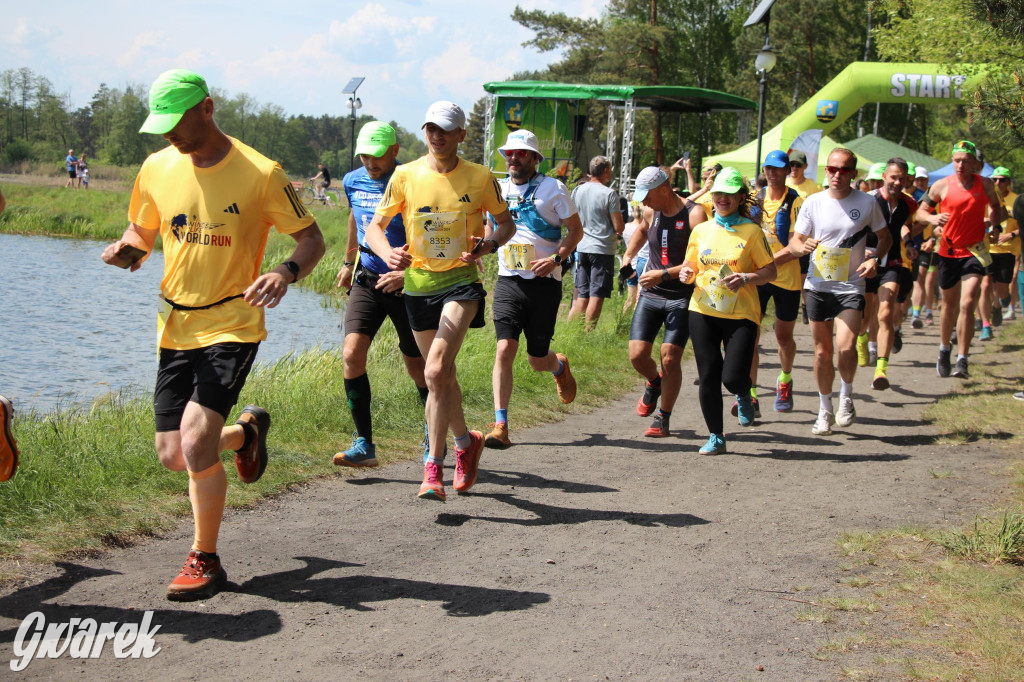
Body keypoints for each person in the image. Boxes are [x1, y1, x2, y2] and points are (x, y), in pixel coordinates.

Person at [100, 69, 326, 601]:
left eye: (175, 122)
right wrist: (127, 250)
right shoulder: (157, 166)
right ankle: (247, 435)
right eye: (160, 125)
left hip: (233, 320)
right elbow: (144, 228)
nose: (167, 135)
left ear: (207, 107)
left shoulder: (261, 172)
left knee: (196, 441)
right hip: (175, 322)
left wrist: (285, 272)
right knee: (174, 452)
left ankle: (206, 558)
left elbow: (310, 238)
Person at [363, 100, 515, 502]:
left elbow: (506, 224)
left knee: (433, 372)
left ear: (462, 134)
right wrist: (386, 253)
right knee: (442, 376)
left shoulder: (481, 177)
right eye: (431, 128)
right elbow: (375, 227)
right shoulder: (405, 175)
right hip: (417, 284)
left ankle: (433, 468)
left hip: (461, 283)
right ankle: (466, 442)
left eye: (446, 129)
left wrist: (486, 245)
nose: (437, 136)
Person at [333, 121, 428, 467]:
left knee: (418, 368)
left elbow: (432, 232)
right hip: (368, 278)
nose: (370, 162)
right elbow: (355, 218)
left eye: (377, 155)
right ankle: (364, 444)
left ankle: (434, 430)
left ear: (395, 150)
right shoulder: (351, 180)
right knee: (351, 354)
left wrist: (410, 273)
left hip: (408, 282)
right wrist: (347, 260)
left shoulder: (413, 180)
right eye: (364, 155)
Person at [484, 129, 582, 449]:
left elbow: (575, 232)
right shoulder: (497, 189)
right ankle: (501, 424)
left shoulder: (554, 189)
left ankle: (559, 366)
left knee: (536, 358)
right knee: (504, 349)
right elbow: (492, 227)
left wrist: (555, 258)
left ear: (535, 158)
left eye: (521, 153)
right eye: (509, 153)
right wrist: (482, 247)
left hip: (544, 284)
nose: (513, 158)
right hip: (509, 280)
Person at [789, 148, 889, 435]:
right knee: (822, 353)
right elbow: (796, 241)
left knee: (845, 348)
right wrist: (802, 248)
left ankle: (846, 396)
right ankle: (824, 409)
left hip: (850, 286)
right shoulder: (813, 202)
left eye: (843, 170)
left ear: (853, 174)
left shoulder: (867, 202)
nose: (836, 174)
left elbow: (885, 237)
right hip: (818, 286)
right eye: (832, 169)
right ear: (826, 171)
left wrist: (873, 259)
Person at [678, 167, 776, 455]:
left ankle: (744, 393)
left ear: (741, 197)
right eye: (718, 193)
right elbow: (690, 267)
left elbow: (769, 271)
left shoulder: (752, 231)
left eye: (730, 194)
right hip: (703, 309)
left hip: (741, 313)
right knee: (708, 374)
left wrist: (746, 278)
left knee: (731, 377)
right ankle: (716, 436)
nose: (722, 198)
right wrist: (685, 274)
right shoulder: (701, 230)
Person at [624, 167, 705, 438]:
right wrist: (628, 255)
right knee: (637, 355)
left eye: (646, 195)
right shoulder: (651, 211)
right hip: (651, 294)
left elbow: (701, 259)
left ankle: (664, 417)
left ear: (663, 188)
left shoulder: (694, 214)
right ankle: (654, 383)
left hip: (681, 295)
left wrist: (664, 274)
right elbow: (643, 229)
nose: (643, 202)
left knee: (670, 358)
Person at [915, 140, 1004, 379]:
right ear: (952, 161)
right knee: (949, 305)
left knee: (967, 303)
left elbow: (998, 208)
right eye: (957, 160)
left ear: (975, 163)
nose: (961, 165)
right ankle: (945, 348)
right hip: (948, 252)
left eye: (966, 161)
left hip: (974, 251)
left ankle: (962, 359)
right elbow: (921, 212)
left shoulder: (985, 184)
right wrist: (933, 220)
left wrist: (994, 225)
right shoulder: (941, 186)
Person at [748, 150, 804, 413]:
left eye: (777, 168)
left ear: (787, 171)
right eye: (768, 168)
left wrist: (769, 262)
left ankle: (785, 379)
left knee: (783, 337)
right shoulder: (755, 199)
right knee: (751, 335)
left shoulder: (796, 201)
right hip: (760, 278)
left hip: (786, 278)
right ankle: (751, 394)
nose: (772, 173)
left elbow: (797, 244)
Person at [868, 158, 920, 390]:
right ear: (885, 177)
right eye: (893, 177)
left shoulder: (909, 203)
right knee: (864, 315)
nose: (897, 182)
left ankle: (881, 369)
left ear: (907, 179)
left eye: (902, 178)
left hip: (893, 263)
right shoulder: (869, 200)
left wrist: (908, 242)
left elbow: (905, 224)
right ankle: (862, 338)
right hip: (866, 263)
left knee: (886, 311)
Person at [568, 156, 625, 331]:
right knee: (597, 294)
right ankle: (588, 333)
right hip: (602, 250)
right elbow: (619, 226)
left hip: (582, 247)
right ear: (606, 171)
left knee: (582, 294)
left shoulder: (577, 191)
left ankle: (573, 333)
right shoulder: (609, 193)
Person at [981, 167, 1018, 330]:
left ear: (1008, 183)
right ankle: (985, 323)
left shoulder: (1018, 201)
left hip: (1008, 250)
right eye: (995, 179)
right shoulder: (984, 199)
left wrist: (1010, 235)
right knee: (986, 284)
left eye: (1002, 180)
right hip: (987, 249)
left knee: (1002, 289)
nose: (998, 183)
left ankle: (1000, 301)